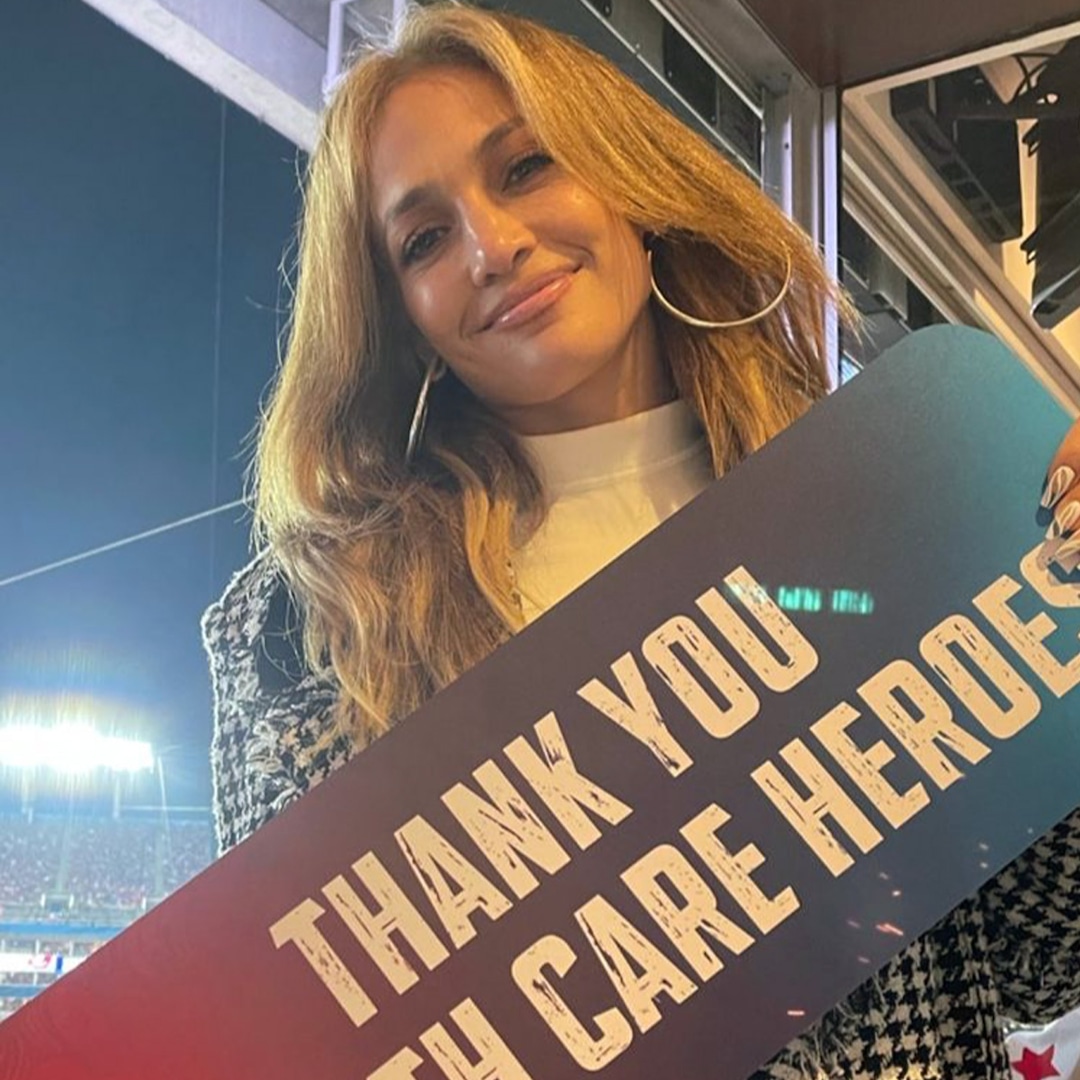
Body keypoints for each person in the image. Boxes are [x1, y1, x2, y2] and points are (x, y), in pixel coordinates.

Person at [201, 4, 1080, 1078]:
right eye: (424, 239)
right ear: (401, 320)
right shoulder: (309, 626)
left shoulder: (886, 504)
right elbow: (310, 1033)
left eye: (527, 167)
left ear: (632, 180)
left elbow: (1041, 954)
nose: (492, 246)